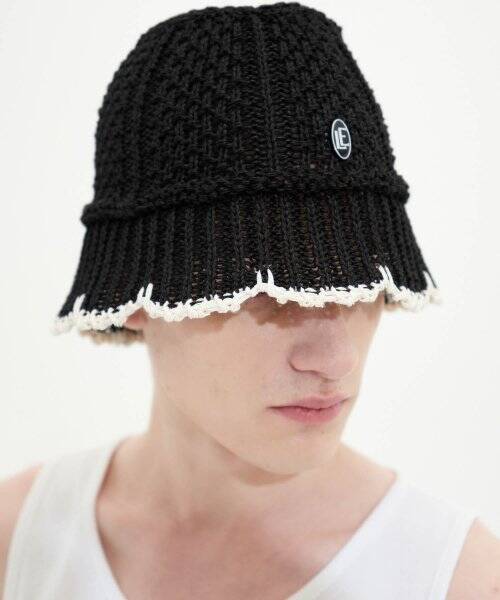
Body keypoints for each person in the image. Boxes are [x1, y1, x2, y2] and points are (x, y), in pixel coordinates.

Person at [1, 2, 499, 598]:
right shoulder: (18, 540)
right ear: (136, 288)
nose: (336, 359)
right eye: (267, 286)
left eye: (362, 278)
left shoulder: (457, 579)